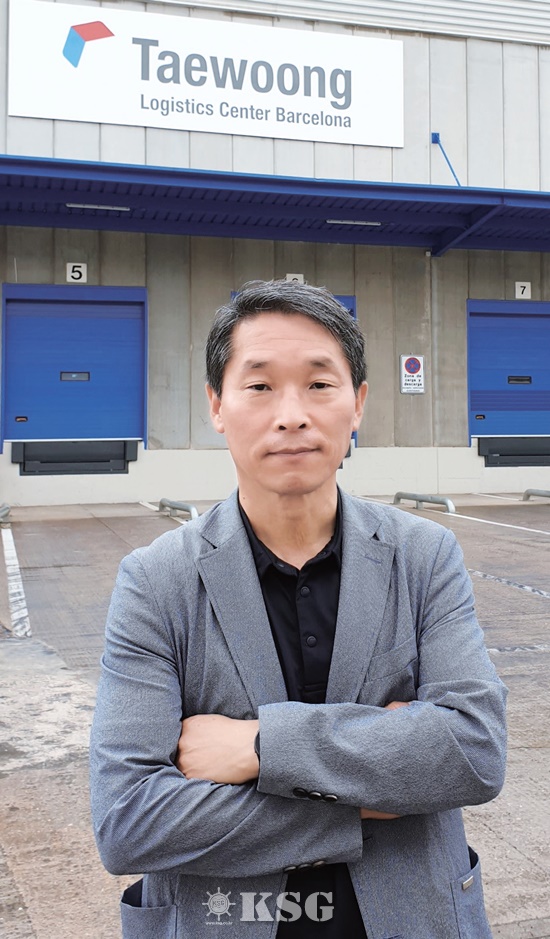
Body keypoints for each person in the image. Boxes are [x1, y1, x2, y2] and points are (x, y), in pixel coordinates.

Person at [90, 279, 507, 939]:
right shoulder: (157, 582)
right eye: (259, 386)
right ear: (217, 404)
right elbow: (130, 821)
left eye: (319, 384)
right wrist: (364, 798)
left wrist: (261, 747)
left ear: (358, 403)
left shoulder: (423, 556)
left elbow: (472, 751)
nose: (291, 415)